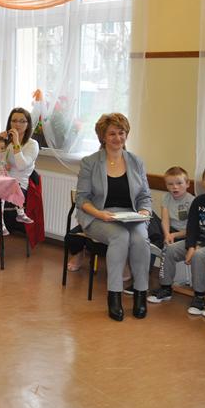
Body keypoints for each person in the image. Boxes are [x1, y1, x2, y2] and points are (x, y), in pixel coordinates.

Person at [75, 113, 152, 322]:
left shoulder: (136, 162)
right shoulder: (90, 162)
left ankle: (140, 294)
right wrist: (100, 214)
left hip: (130, 215)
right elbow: (82, 199)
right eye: (112, 134)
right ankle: (114, 295)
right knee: (120, 236)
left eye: (121, 133)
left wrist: (144, 212)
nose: (118, 138)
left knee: (140, 239)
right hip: (98, 215)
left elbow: (145, 196)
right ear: (103, 136)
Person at [148, 164, 205, 314]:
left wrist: (197, 249)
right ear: (202, 182)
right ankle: (166, 288)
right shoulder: (199, 201)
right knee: (169, 249)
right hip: (195, 241)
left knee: (198, 255)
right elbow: (192, 227)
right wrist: (191, 246)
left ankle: (199, 297)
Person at [0, 107, 38, 224]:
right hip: (1, 181)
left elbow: (21, 166)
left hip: (18, 186)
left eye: (22, 121)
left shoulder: (32, 144)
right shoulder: (6, 141)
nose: (17, 124)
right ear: (10, 123)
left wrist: (16, 142)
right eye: (14, 121)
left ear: (28, 124)